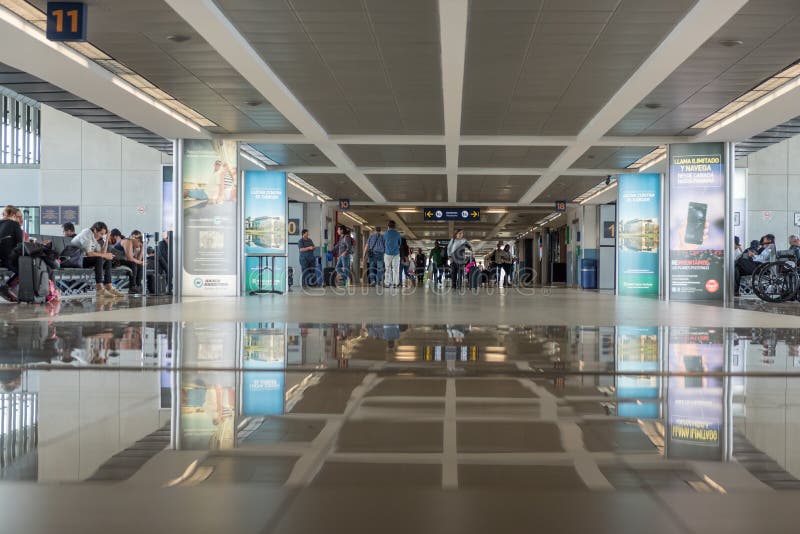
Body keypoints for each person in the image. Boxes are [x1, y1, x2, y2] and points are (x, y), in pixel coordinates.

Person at [73, 221, 124, 298]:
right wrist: (105, 255)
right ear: (95, 230)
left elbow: (102, 252)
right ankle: (99, 288)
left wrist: (107, 239)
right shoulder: (86, 233)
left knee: (107, 259)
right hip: (74, 259)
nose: (101, 236)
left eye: (103, 234)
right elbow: (89, 253)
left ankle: (109, 287)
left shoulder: (94, 238)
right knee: (100, 258)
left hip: (82, 259)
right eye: (101, 233)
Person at [0, 206, 24, 302]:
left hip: (1, 259)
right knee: (26, 268)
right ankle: (6, 287)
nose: (20, 219)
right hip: (7, 259)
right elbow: (21, 244)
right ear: (14, 215)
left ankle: (5, 287)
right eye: (19, 217)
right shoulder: (14, 224)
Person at [115, 229, 145, 294]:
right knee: (134, 263)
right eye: (139, 244)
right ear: (138, 240)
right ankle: (132, 286)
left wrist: (142, 248)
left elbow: (138, 260)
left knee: (139, 265)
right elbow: (129, 259)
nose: (138, 246)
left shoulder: (133, 245)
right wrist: (140, 262)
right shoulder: (128, 241)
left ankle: (138, 285)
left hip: (122, 260)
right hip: (115, 260)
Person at [383, 220, 402, 288]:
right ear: (395, 226)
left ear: (388, 226)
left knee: (387, 268)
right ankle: (395, 283)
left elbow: (383, 243)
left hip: (387, 253)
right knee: (395, 269)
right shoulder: (398, 234)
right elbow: (400, 243)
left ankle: (387, 283)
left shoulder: (385, 233)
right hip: (396, 253)